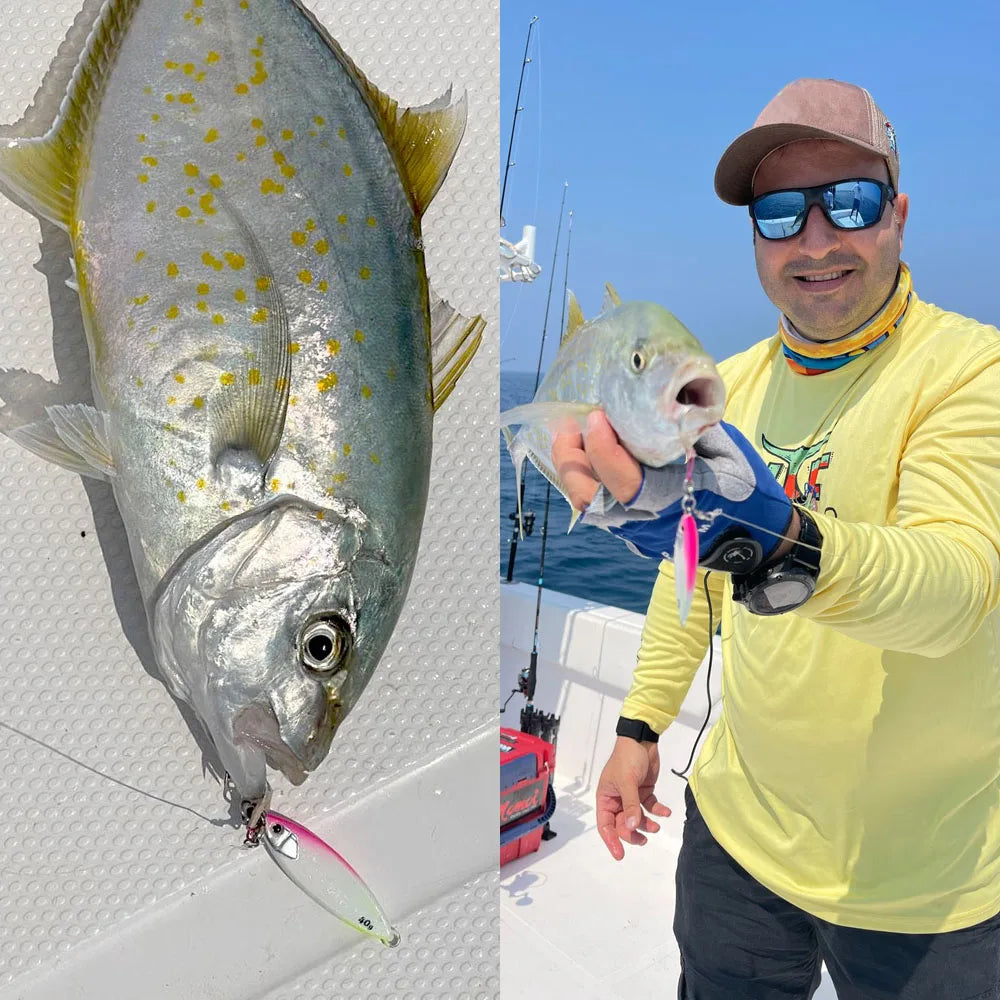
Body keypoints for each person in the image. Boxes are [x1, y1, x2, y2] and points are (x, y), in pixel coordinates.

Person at [552, 77, 1000, 1000]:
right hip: (737, 840)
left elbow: (956, 589)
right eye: (782, 212)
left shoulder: (970, 369)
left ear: (899, 213)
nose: (816, 239)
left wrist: (780, 543)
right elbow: (688, 573)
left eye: (851, 201)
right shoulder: (728, 386)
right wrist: (638, 725)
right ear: (756, 237)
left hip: (929, 886)